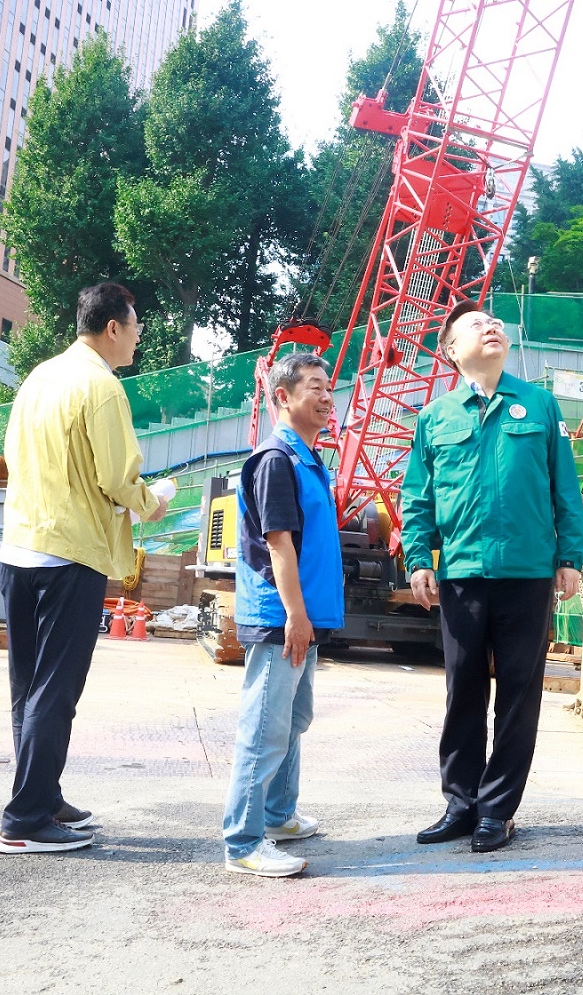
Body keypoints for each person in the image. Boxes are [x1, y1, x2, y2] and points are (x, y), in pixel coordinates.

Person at [402, 300, 583, 853]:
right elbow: (417, 497)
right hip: (461, 572)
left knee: (519, 694)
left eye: (497, 324)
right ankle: (460, 805)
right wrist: (418, 558)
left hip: (528, 572)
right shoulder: (435, 418)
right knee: (462, 690)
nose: (493, 327)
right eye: (478, 326)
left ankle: (498, 811)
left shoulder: (539, 404)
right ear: (452, 350)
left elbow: (564, 487)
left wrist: (570, 557)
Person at [0, 282, 168, 855]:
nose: (140, 336)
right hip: (70, 553)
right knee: (55, 690)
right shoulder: (102, 387)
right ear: (113, 328)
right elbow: (119, 478)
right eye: (136, 324)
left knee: (30, 687)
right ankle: (24, 820)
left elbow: (16, 457)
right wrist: (152, 501)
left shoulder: (38, 378)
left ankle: (41, 797)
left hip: (19, 548)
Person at [222, 352, 345, 877]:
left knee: (293, 720)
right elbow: (280, 547)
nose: (325, 396)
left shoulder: (308, 459)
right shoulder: (277, 460)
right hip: (281, 616)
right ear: (282, 398)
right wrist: (295, 616)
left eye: (327, 387)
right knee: (264, 729)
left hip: (302, 615)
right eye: (313, 387)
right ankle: (243, 843)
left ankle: (279, 815)